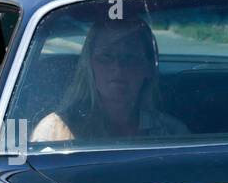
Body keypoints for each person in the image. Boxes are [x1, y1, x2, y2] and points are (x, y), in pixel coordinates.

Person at [30, 14, 188, 144]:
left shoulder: (172, 133)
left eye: (130, 58)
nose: (118, 68)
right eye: (106, 57)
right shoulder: (55, 130)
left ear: (147, 68)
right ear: (90, 65)